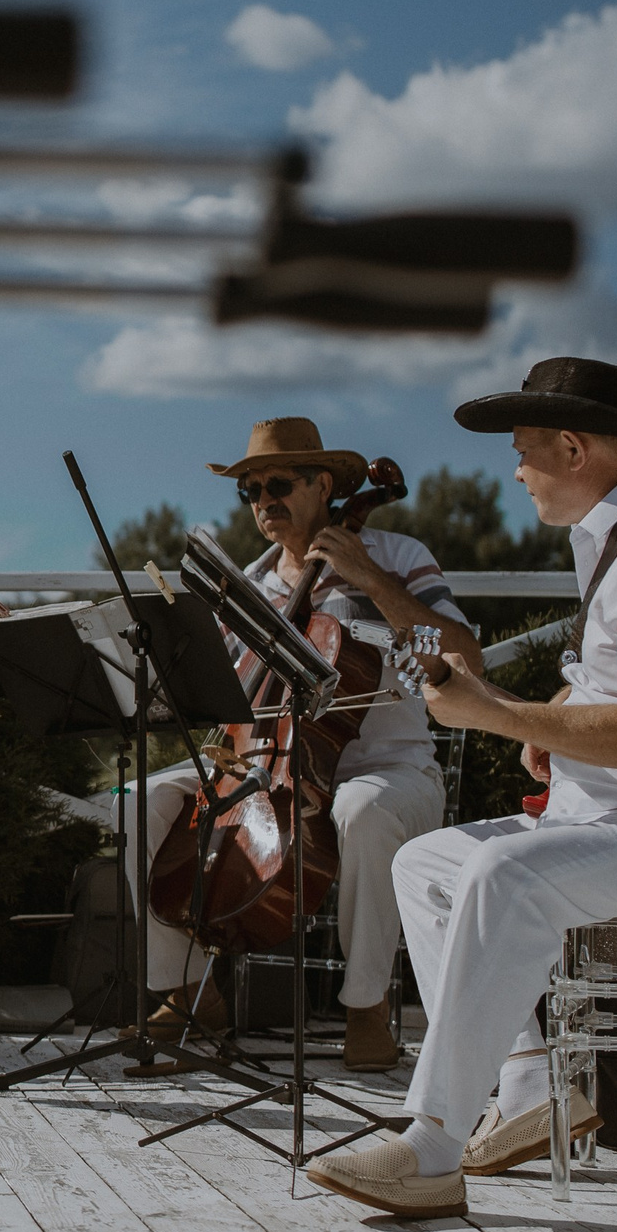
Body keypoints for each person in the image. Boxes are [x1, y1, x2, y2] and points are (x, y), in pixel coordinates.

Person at [305, 358, 617, 1220]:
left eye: (526, 450)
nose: (516, 470)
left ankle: (431, 1145)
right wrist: (557, 714)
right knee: (427, 863)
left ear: (573, 448)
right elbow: (611, 678)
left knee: (506, 875)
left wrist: (503, 715)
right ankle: (530, 1084)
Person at [120, 417, 478, 1071]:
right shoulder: (249, 584)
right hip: (268, 761)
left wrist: (369, 579)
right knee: (139, 799)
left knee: (362, 812)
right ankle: (186, 990)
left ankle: (365, 1008)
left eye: (277, 484)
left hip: (386, 767)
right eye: (250, 491)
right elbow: (233, 699)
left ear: (324, 485)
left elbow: (454, 655)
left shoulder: (397, 556)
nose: (262, 501)